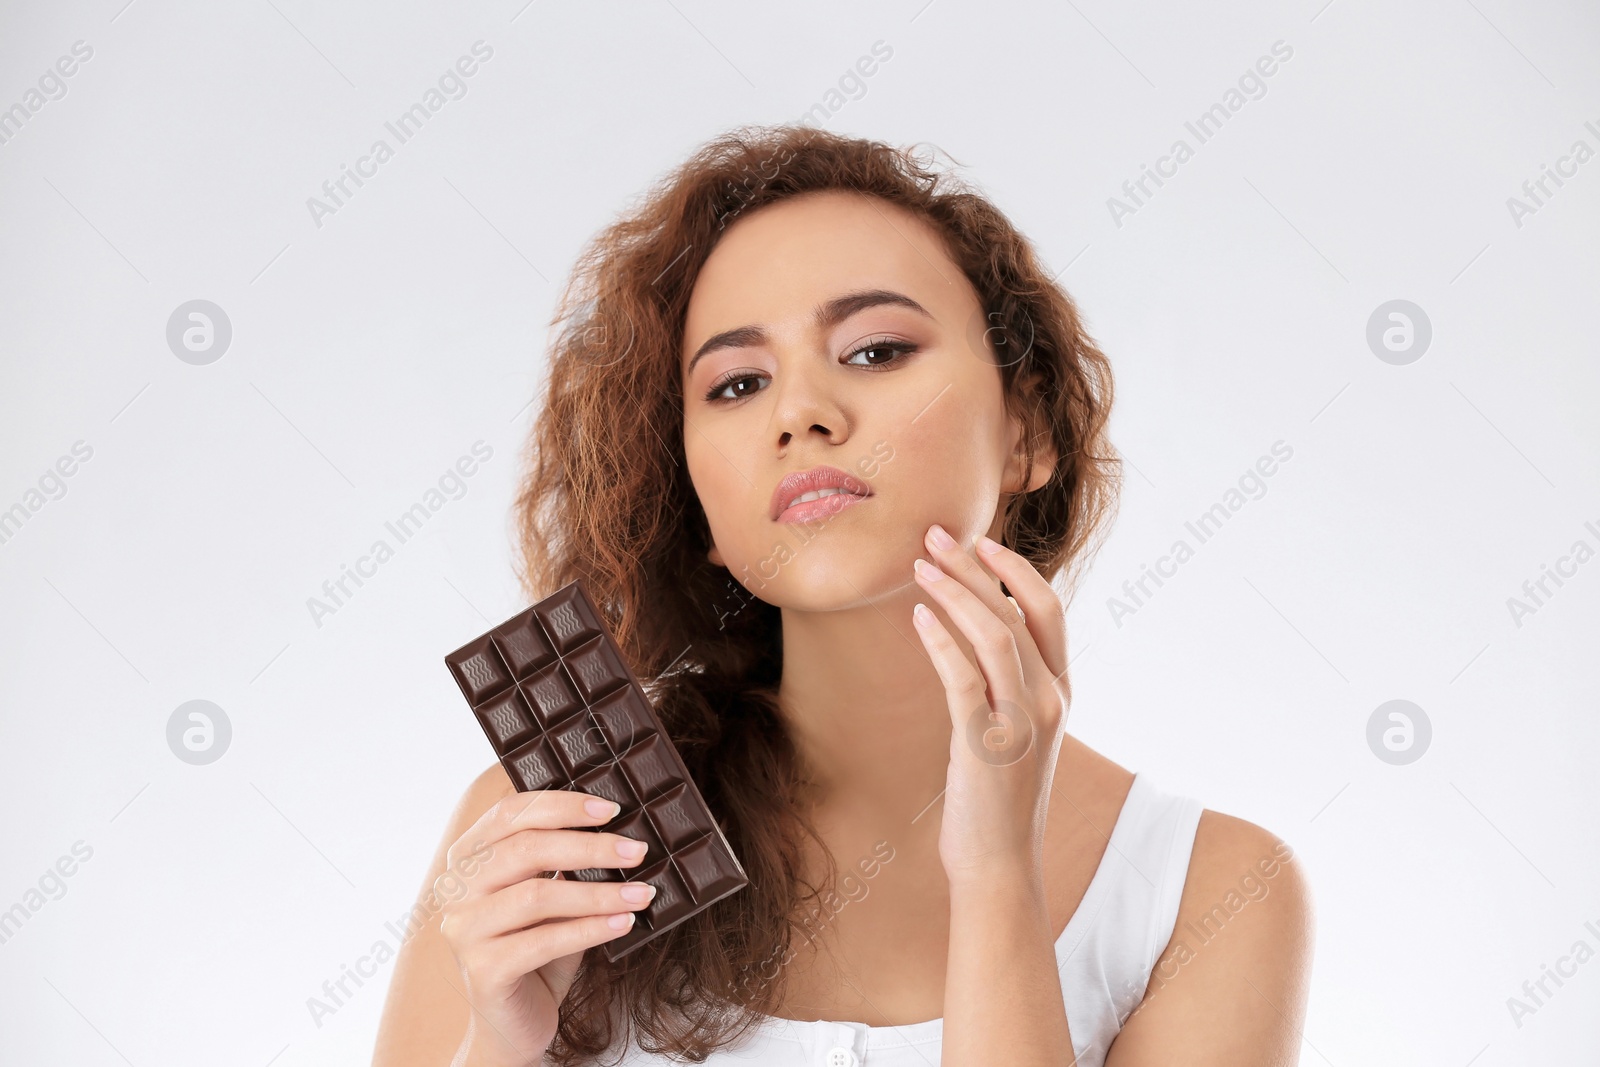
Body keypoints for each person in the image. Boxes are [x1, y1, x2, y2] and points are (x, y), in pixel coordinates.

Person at [372, 124, 1314, 1066]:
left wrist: (995, 876)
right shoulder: (546, 832)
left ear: (1025, 429)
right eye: (737, 383)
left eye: (873, 351)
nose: (800, 412)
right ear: (697, 501)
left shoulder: (1209, 892)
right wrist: (500, 1045)